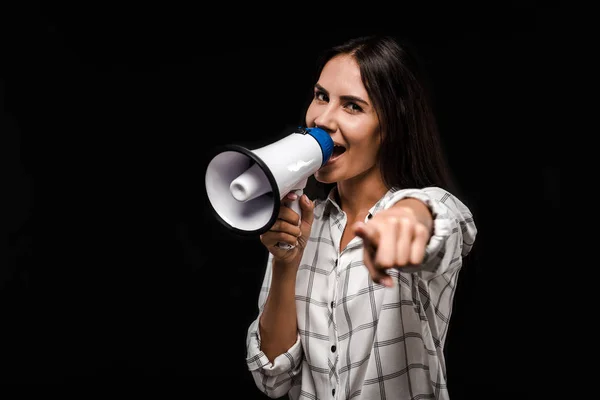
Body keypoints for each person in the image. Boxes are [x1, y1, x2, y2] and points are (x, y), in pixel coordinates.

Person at [245, 34, 477, 400]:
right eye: (321, 96)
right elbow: (272, 379)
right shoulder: (304, 223)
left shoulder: (421, 209)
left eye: (352, 106)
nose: (322, 119)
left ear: (391, 125)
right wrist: (285, 264)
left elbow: (444, 221)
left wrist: (408, 220)